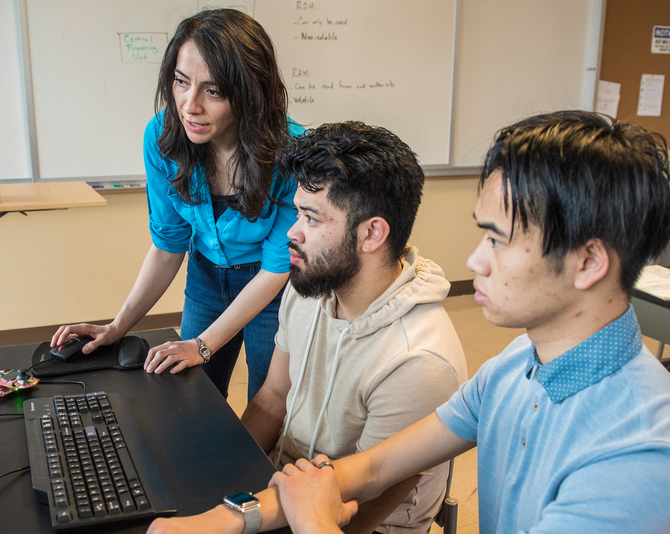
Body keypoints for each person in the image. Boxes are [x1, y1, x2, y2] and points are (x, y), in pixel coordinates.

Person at [148, 111, 670, 534]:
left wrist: (310, 519)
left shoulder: (635, 462)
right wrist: (223, 520)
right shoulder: (515, 367)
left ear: (589, 263)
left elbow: (349, 500)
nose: (475, 262)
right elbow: (371, 468)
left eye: (499, 240)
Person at [52, 9, 304, 399]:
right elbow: (168, 245)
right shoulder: (162, 137)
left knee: (267, 400)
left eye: (214, 91)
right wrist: (116, 328)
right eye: (181, 82)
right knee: (194, 397)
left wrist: (203, 344)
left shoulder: (290, 152)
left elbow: (275, 270)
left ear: (250, 91)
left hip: (273, 289)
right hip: (205, 277)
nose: (189, 105)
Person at [238, 122, 467, 533]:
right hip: (282, 490)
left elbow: (360, 513)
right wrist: (223, 486)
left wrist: (238, 520)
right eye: (297, 212)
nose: (293, 232)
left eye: (311, 217)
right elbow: (273, 398)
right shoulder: (309, 287)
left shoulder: (418, 360)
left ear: (371, 233)